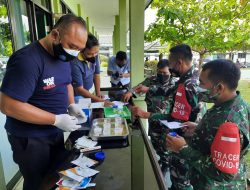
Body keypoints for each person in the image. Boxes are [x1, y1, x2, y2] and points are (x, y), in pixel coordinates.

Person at [0, 14, 88, 190]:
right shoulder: (28, 60)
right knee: (38, 184)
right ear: (55, 35)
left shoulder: (64, 58)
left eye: (79, 49)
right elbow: (7, 105)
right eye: (72, 46)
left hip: (53, 132)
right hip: (30, 138)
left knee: (54, 177)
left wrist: (71, 105)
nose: (74, 53)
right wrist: (55, 119)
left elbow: (67, 83)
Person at [166, 59, 250, 189]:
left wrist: (183, 148)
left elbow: (223, 174)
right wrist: (199, 128)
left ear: (219, 88)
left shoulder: (229, 120)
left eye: (201, 83)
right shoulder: (236, 104)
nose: (197, 86)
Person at [132, 44, 201, 189]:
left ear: (179, 62)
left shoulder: (189, 85)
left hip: (185, 141)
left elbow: (178, 119)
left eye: (170, 65)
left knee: (182, 182)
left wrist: (146, 114)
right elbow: (169, 90)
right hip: (179, 138)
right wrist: (150, 89)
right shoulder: (185, 81)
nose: (169, 70)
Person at [70, 33, 112, 106]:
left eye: (96, 52)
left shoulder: (94, 55)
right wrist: (100, 101)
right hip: (77, 95)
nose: (93, 56)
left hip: (89, 92)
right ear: (81, 50)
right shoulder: (75, 63)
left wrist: (98, 94)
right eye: (89, 54)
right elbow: (79, 89)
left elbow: (96, 75)